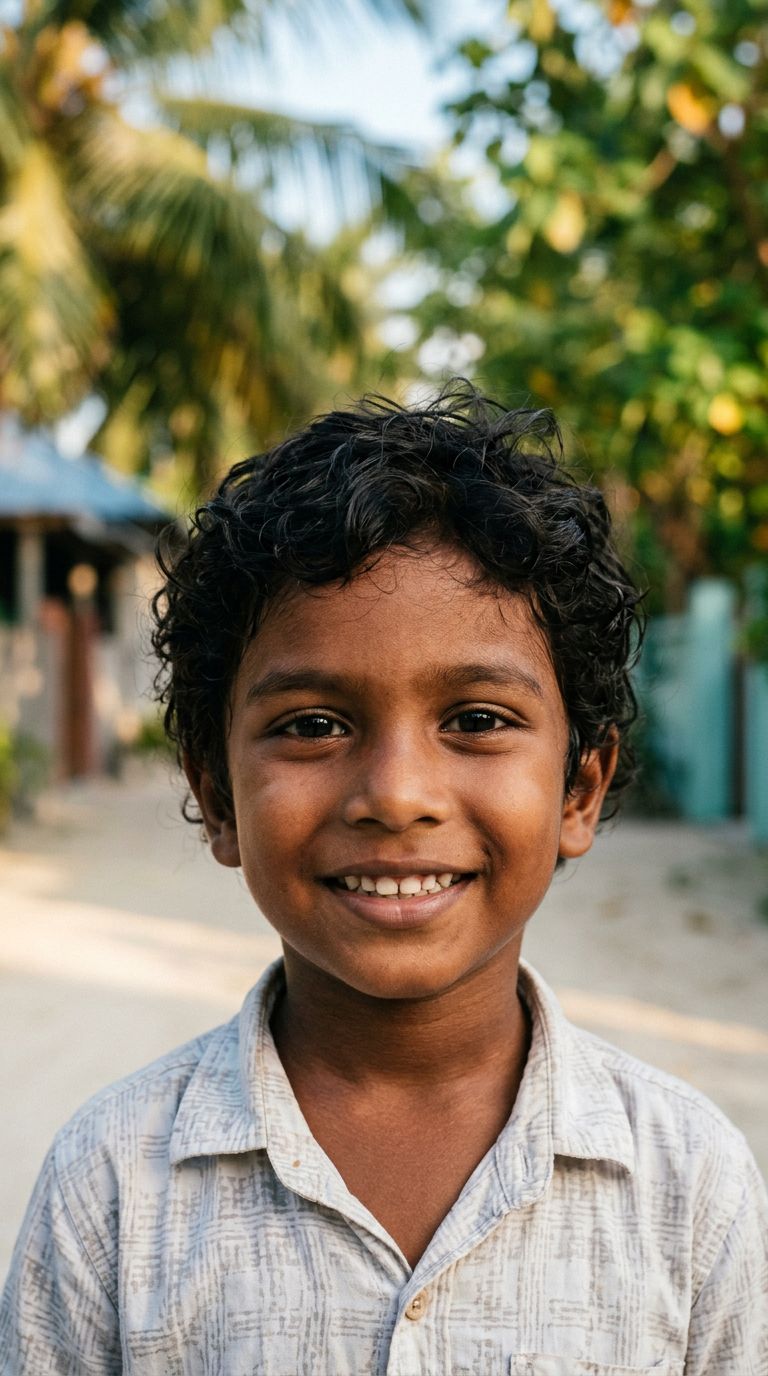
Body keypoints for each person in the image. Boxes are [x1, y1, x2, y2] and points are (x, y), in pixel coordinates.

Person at [1, 384, 766, 1375]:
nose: (397, 794)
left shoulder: (688, 1183)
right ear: (218, 796)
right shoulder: (110, 1185)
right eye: (312, 724)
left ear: (581, 787)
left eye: (478, 719)